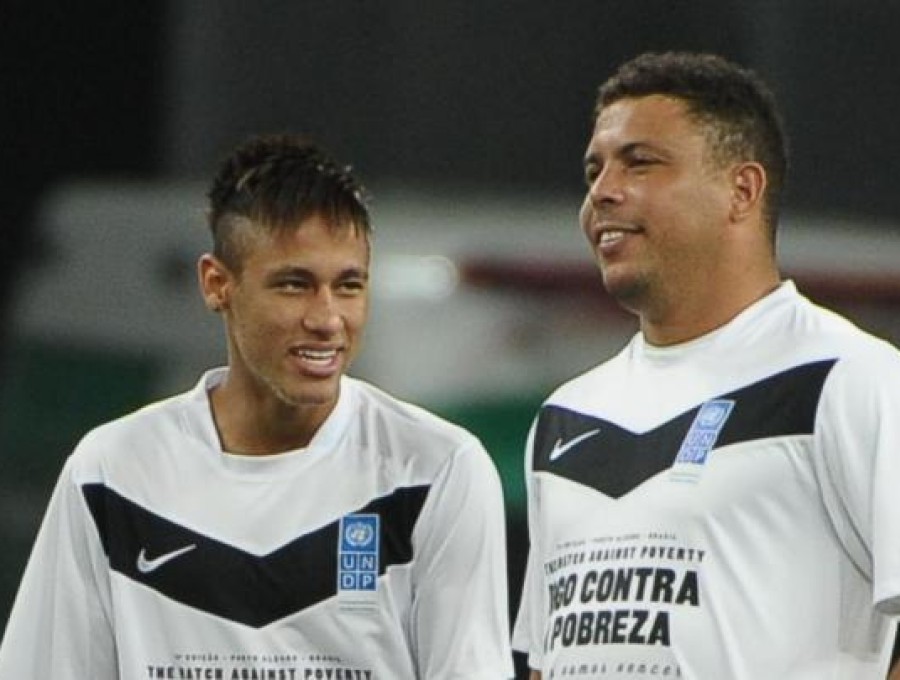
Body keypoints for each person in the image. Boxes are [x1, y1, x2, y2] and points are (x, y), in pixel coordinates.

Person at [511, 51, 900, 679]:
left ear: (741, 190)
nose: (601, 192)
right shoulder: (565, 417)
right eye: (594, 170)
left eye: (640, 162)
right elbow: (551, 657)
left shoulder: (842, 377)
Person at [0, 134, 515, 679]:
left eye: (348, 286)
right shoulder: (111, 472)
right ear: (217, 284)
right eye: (294, 285)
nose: (327, 318)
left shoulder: (436, 470)